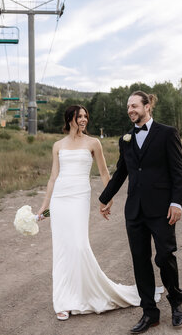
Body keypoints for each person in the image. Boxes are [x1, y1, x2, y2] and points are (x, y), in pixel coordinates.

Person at [37, 104, 162, 321]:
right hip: (60, 199)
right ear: (70, 119)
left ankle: (88, 292)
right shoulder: (58, 145)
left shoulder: (94, 143)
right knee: (62, 249)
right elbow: (52, 177)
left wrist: (108, 199)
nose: (84, 120)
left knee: (79, 245)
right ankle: (63, 300)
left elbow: (105, 173)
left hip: (79, 197)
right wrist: (45, 206)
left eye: (86, 116)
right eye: (79, 117)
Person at [99, 91, 182, 334]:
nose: (130, 110)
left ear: (148, 106)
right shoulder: (125, 139)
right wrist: (105, 198)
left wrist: (176, 203)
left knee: (164, 257)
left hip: (162, 210)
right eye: (128, 106)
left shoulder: (167, 133)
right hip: (135, 211)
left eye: (134, 105)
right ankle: (150, 313)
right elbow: (121, 172)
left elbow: (178, 172)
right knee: (140, 262)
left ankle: (177, 301)